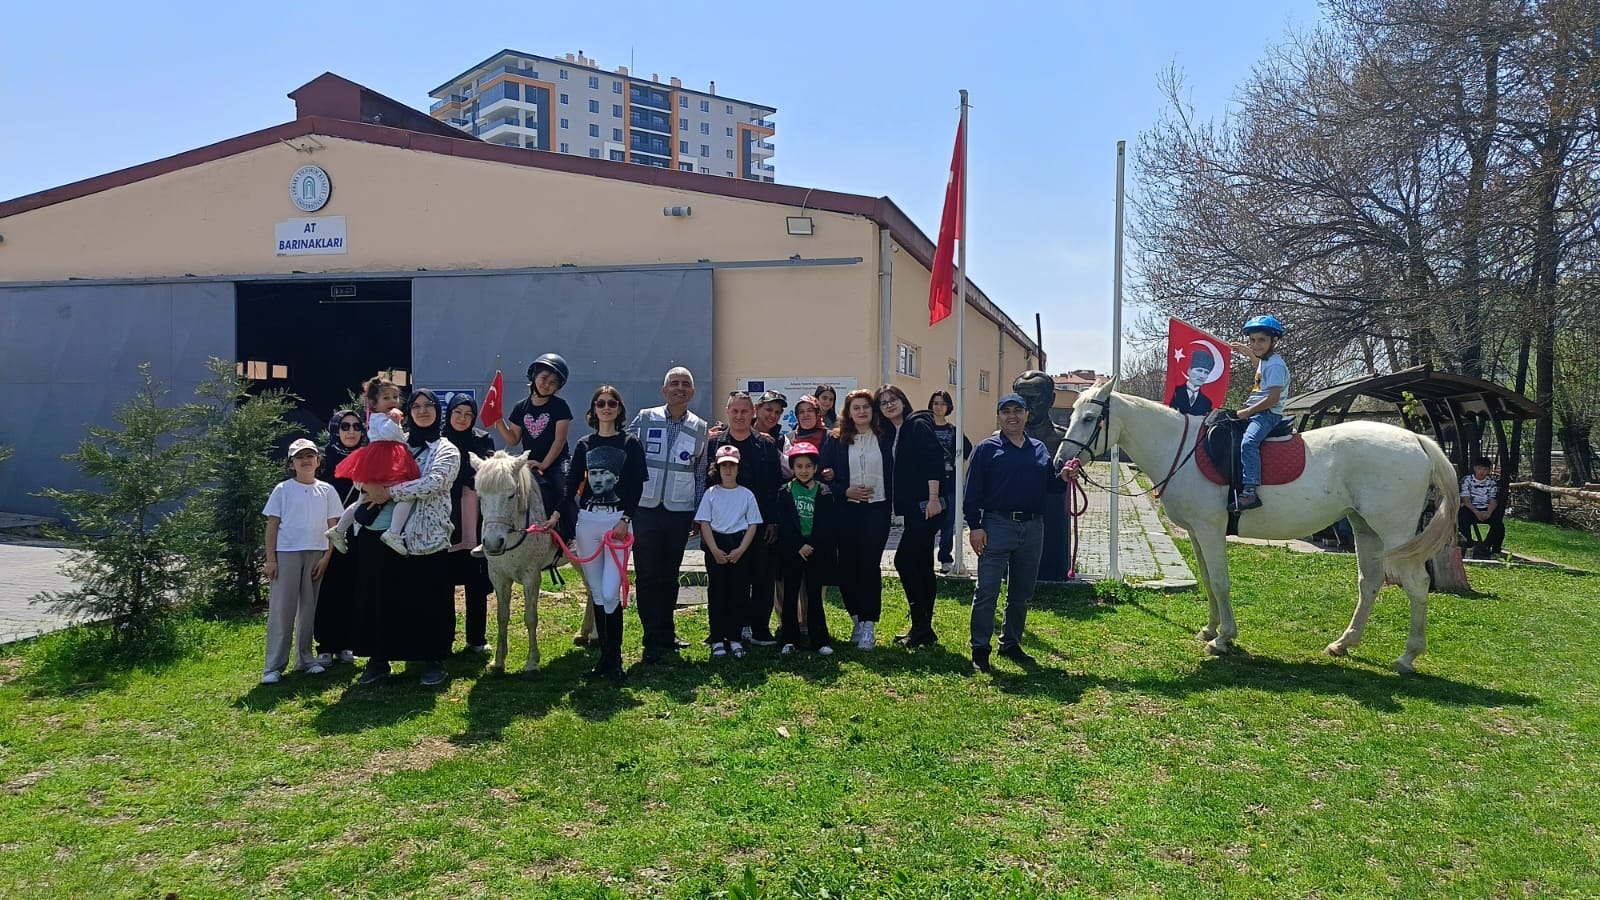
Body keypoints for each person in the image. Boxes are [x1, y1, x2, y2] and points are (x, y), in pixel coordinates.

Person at [354, 390, 461, 687]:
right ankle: (379, 659)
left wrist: (389, 492)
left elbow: (435, 483)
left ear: (437, 412)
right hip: (384, 533)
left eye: (429, 406)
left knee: (429, 599)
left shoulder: (446, 448)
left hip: (427, 535)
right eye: (416, 406)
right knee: (383, 597)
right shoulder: (394, 439)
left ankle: (432, 659)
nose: (423, 411)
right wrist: (367, 485)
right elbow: (363, 469)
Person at [964, 393, 1071, 673]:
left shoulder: (1038, 449)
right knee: (987, 591)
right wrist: (975, 527)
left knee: (1020, 593)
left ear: (1027, 415)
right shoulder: (986, 449)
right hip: (996, 526)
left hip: (1033, 527)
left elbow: (1051, 486)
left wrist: (1064, 477)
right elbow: (972, 492)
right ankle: (980, 649)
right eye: (1006, 411)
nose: (1012, 416)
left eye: (1018, 411)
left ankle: (1010, 642)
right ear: (998, 417)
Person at [625, 366, 710, 663]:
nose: (679, 388)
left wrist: (697, 513)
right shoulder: (646, 418)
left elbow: (700, 474)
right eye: (674, 383)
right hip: (646, 509)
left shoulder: (700, 427)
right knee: (647, 575)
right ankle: (651, 638)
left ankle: (667, 632)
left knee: (670, 575)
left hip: (679, 510)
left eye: (686, 384)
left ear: (693, 392)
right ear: (664, 390)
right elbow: (629, 458)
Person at [571, 386, 648, 681]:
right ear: (593, 409)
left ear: (619, 408)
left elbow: (637, 486)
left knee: (609, 592)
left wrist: (626, 518)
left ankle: (615, 660)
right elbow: (571, 485)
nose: (606, 407)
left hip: (617, 522)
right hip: (588, 521)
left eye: (612, 403)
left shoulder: (630, 443)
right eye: (600, 403)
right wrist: (558, 516)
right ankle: (604, 658)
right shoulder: (583, 444)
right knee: (597, 593)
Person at [260, 438, 345, 684]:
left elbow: (334, 527)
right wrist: (271, 559)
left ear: (318, 461)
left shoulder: (327, 490)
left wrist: (327, 557)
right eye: (300, 457)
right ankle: (274, 666)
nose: (306, 461)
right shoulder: (283, 489)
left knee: (309, 610)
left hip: (316, 553)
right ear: (292, 464)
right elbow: (272, 525)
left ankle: (305, 659)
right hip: (287, 553)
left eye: (310, 456)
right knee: (282, 610)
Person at [705, 391, 783, 647]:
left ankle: (759, 629)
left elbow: (774, 485)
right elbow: (705, 482)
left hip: (758, 525)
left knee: (762, 578)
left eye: (744, 411)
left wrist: (772, 521)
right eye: (734, 411)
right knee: (723, 582)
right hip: (721, 527)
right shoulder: (714, 444)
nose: (739, 416)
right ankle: (723, 631)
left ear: (753, 414)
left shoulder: (766, 444)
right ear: (727, 413)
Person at [818, 388, 892, 650]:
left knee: (869, 565)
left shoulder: (885, 436)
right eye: (856, 407)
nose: (861, 412)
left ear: (873, 411)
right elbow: (821, 475)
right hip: (846, 509)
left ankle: (870, 625)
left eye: (866, 407)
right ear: (848, 412)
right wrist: (844, 489)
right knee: (848, 566)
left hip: (877, 509)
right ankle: (857, 620)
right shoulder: (835, 439)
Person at [877, 385, 945, 648]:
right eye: (883, 403)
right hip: (917, 507)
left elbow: (933, 460)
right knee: (923, 565)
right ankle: (924, 630)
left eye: (893, 399)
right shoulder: (892, 432)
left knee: (904, 560)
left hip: (927, 506)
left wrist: (932, 498)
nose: (889, 404)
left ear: (903, 401)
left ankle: (920, 627)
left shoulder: (916, 424)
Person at [327, 376, 421, 556]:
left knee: (363, 500)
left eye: (395, 397)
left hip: (389, 456)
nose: (393, 401)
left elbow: (399, 439)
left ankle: (338, 530)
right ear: (373, 403)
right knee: (406, 495)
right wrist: (394, 421)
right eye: (386, 398)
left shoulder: (384, 417)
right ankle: (393, 533)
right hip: (383, 457)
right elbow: (387, 434)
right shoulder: (379, 418)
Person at [493, 353, 573, 538]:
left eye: (554, 382)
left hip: (556, 460)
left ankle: (570, 535)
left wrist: (544, 464)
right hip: (529, 461)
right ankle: (504, 530)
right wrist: (499, 422)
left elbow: (559, 440)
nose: (547, 384)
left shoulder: (560, 407)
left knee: (564, 487)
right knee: (505, 487)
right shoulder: (521, 407)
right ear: (534, 376)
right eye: (544, 378)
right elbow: (513, 439)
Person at [696, 445, 763, 659]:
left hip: (739, 544)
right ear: (717, 468)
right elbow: (704, 522)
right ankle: (717, 638)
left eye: (732, 466)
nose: (727, 470)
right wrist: (713, 548)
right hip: (716, 543)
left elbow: (753, 524)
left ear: (738, 468)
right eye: (723, 466)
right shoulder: (711, 493)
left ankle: (734, 638)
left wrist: (741, 549)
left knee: (739, 592)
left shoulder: (746, 494)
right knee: (717, 592)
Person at [442, 394, 495, 653]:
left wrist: (461, 471)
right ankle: (445, 637)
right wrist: (466, 470)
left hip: (476, 519)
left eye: (468, 414)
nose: (462, 418)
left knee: (476, 581)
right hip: (446, 519)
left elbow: (487, 471)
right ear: (449, 414)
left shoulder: (483, 439)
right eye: (457, 412)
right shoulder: (439, 440)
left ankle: (476, 638)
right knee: (444, 585)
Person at [313, 408, 364, 665]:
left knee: (352, 588)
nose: (351, 431)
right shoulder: (322, 461)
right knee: (327, 589)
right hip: (325, 535)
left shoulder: (366, 459)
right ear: (335, 429)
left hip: (356, 536)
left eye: (357, 426)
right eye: (345, 426)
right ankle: (325, 643)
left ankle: (348, 643)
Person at [776, 441, 836, 656]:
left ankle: (819, 639)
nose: (803, 470)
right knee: (790, 595)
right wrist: (798, 545)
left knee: (814, 596)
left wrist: (811, 544)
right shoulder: (785, 492)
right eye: (799, 466)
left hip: (815, 551)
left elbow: (826, 524)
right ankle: (789, 639)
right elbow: (784, 523)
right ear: (792, 468)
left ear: (815, 468)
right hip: (793, 551)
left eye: (808, 466)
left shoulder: (824, 492)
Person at [1227, 315, 1290, 512]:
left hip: (1267, 414)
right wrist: (1246, 352)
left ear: (1274, 341)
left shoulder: (1276, 365)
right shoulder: (1266, 361)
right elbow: (1259, 367)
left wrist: (1247, 411)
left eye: (1261, 340)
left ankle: (1250, 491)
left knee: (1249, 442)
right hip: (1257, 412)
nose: (1256, 344)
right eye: (1252, 340)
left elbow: (1273, 398)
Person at [927, 390, 973, 574]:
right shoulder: (926, 428)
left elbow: (967, 449)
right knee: (928, 524)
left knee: (948, 523)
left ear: (948, 407)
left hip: (950, 484)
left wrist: (955, 464)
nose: (938, 407)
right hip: (928, 484)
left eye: (942, 403)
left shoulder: (953, 430)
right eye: (935, 403)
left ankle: (945, 558)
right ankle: (925, 558)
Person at [1458, 456, 1504, 558]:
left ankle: (1492, 549)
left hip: (1486, 509)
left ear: (1488, 470)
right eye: (1479, 468)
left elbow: (1493, 499)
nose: (1482, 472)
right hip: (1471, 508)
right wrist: (1476, 512)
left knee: (1499, 525)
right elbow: (1465, 499)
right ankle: (1468, 545)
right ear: (1475, 468)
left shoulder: (1492, 482)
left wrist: (1489, 512)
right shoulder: (1467, 480)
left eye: (1485, 469)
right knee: (1462, 519)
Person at [1167, 349, 1217, 416]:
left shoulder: (1206, 402)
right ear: (1189, 371)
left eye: (1206, 372)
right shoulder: (1175, 392)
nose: (1202, 376)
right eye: (1199, 370)